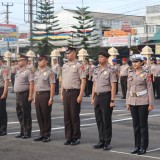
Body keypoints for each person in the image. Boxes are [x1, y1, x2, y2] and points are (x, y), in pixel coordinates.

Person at [126, 54, 154, 155]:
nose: (135, 63)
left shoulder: (146, 74)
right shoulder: (130, 73)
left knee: (143, 125)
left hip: (143, 102)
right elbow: (128, 89)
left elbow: (150, 89)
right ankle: (136, 146)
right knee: (135, 125)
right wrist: (127, 102)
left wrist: (150, 104)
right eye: (133, 62)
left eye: (137, 61)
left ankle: (143, 147)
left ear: (142, 62)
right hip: (132, 101)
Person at [91, 51, 116, 151]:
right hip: (97, 97)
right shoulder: (96, 70)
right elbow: (94, 84)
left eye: (101, 57)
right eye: (99, 57)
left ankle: (107, 142)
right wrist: (92, 97)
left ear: (106, 58)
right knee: (99, 120)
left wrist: (112, 100)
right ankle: (101, 140)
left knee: (106, 120)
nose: (99, 59)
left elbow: (113, 86)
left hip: (106, 97)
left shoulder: (111, 70)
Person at [61, 47, 86, 146]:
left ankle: (76, 137)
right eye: (66, 54)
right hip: (66, 92)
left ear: (74, 54)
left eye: (69, 53)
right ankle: (68, 137)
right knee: (67, 116)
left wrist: (80, 95)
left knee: (74, 116)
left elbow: (83, 80)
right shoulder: (65, 66)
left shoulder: (79, 66)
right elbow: (62, 80)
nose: (67, 55)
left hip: (74, 92)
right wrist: (62, 92)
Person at [33, 55, 55, 143]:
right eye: (38, 60)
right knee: (39, 116)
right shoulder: (36, 72)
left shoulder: (50, 72)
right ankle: (41, 133)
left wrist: (51, 98)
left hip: (45, 95)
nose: (39, 62)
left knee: (46, 115)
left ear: (46, 61)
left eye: (41, 60)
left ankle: (47, 134)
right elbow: (35, 85)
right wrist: (34, 98)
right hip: (38, 95)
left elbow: (52, 85)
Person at [14, 54, 34, 139]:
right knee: (20, 113)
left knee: (26, 114)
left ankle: (27, 132)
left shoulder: (28, 71)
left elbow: (31, 83)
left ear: (25, 61)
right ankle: (22, 131)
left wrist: (30, 95)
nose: (18, 62)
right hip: (18, 95)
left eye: (20, 60)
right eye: (18, 60)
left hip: (24, 94)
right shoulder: (18, 71)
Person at [0, 56, 10, 136]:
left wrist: (4, 92)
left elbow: (6, 81)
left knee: (2, 110)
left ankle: (3, 129)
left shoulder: (5, 68)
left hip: (1, 89)